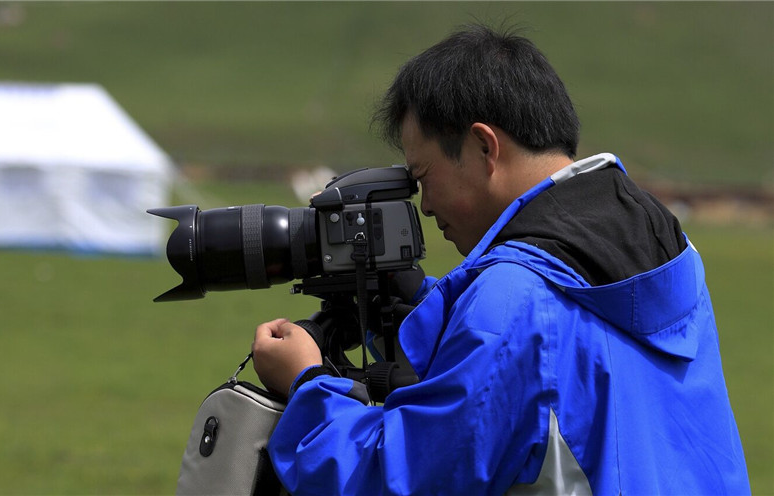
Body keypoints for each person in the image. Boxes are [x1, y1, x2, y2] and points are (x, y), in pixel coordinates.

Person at [251, 24, 750, 495]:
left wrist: (307, 385)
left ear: (483, 146)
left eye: (423, 177)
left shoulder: (514, 301)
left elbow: (400, 479)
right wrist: (417, 305)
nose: (426, 205)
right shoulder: (663, 246)